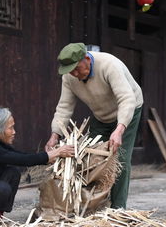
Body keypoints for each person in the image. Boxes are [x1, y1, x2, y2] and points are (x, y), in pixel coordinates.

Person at [45, 43, 143, 209]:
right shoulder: (69, 77)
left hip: (128, 111)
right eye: (70, 70)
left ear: (86, 58)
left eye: (77, 69)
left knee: (119, 160)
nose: (74, 74)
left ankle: (118, 209)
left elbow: (127, 99)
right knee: (88, 156)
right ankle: (92, 204)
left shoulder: (109, 65)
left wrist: (119, 129)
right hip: (101, 116)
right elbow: (64, 108)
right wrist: (54, 135)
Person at [0, 107, 74, 225]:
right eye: (11, 128)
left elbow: (20, 155)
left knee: (12, 173)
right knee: (2, 188)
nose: (14, 132)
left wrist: (50, 158)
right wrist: (56, 153)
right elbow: (23, 159)